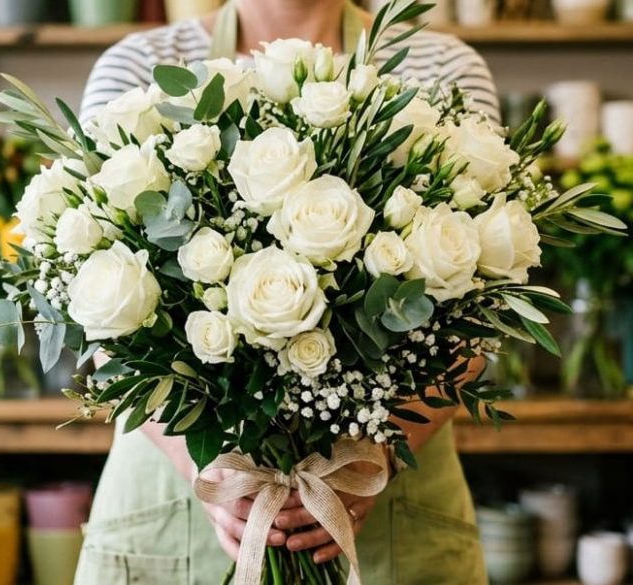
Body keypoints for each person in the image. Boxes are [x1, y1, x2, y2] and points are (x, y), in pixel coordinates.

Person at [74, 1, 497, 582]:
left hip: (392, 521)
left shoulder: (443, 69)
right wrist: (209, 474)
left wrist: (372, 463)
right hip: (175, 514)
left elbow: (485, 310)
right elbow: (99, 319)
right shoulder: (139, 68)